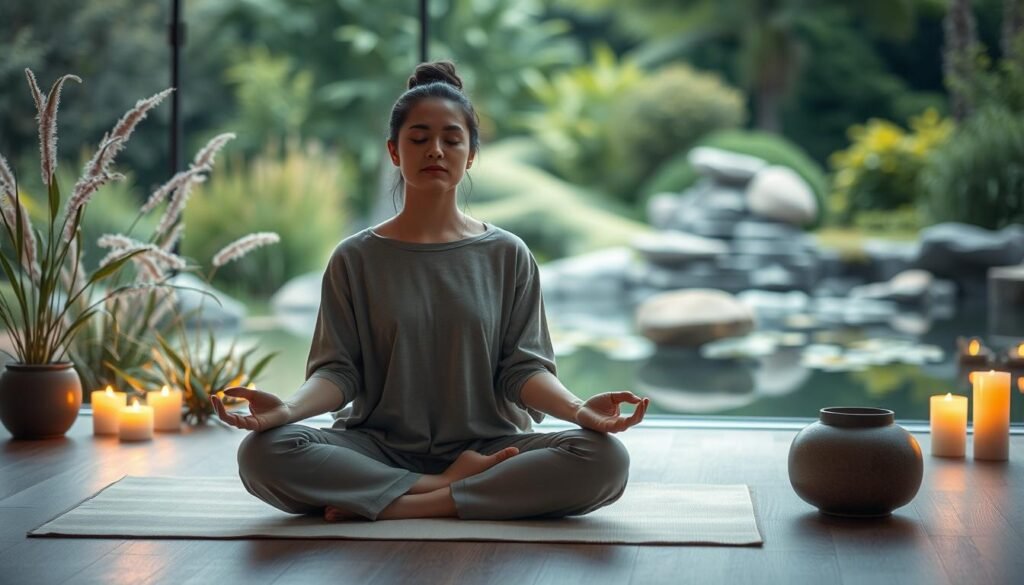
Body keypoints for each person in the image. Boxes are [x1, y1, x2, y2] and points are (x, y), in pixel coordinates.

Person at [211, 60, 649, 522]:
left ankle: (399, 504)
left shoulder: (508, 254)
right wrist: (287, 409)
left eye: (451, 139)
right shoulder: (355, 258)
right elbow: (339, 374)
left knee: (605, 461)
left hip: (492, 447)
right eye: (419, 139)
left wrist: (580, 410)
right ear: (394, 152)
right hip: (377, 448)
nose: (435, 150)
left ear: (471, 154)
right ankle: (445, 488)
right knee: (264, 453)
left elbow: (522, 371)